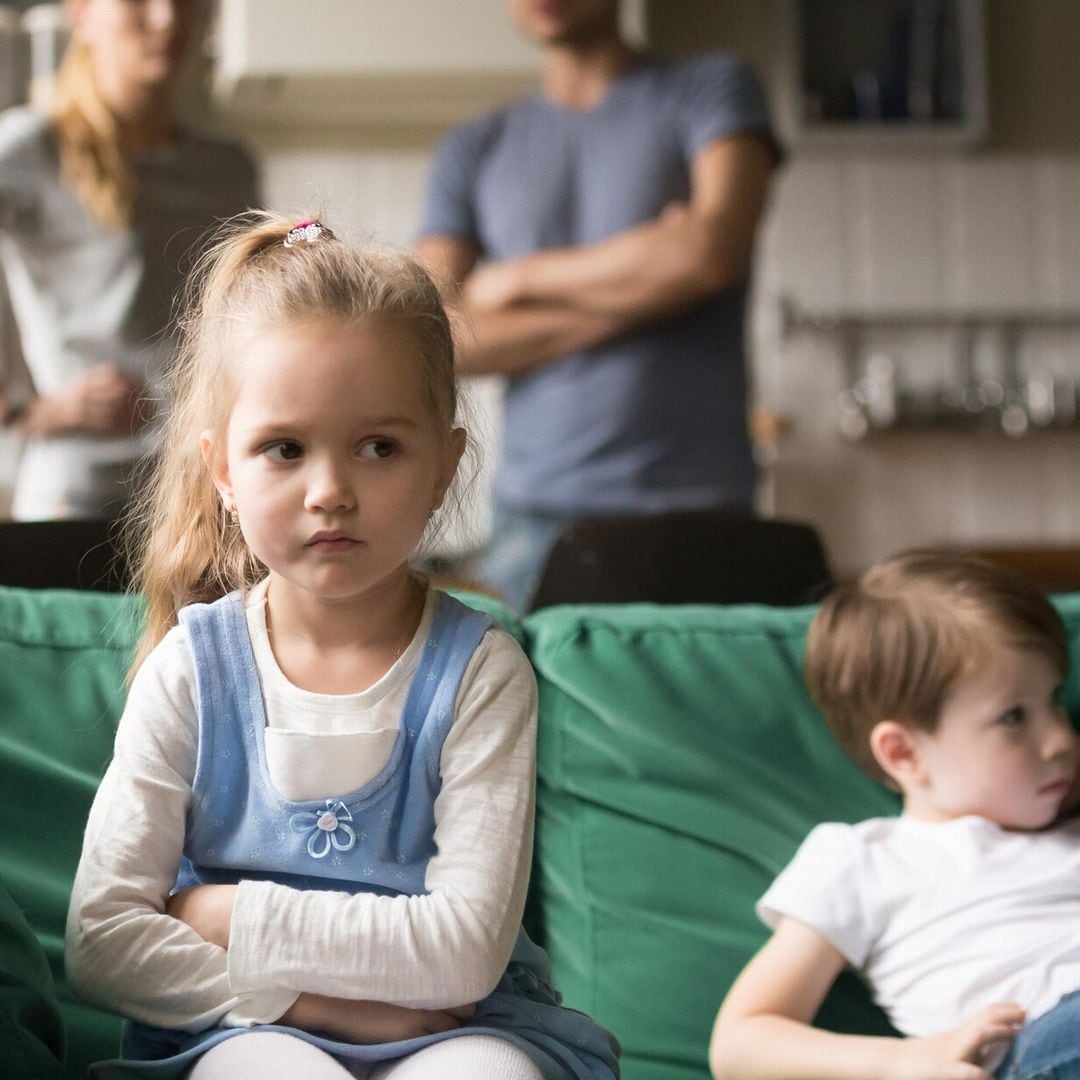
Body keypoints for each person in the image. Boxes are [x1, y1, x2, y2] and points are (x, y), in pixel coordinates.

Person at [65, 212, 620, 1080]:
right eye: (283, 448)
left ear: (444, 464)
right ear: (224, 473)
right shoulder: (190, 670)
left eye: (378, 447)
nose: (331, 491)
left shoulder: (482, 670)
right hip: (237, 1030)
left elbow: (465, 955)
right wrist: (321, 1008)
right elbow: (102, 940)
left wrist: (223, 913)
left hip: (460, 1032)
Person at [418, 0, 780, 611]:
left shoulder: (713, 88)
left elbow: (711, 252)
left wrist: (518, 279)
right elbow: (431, 338)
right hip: (531, 523)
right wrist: (652, 288)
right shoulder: (474, 145)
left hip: (696, 511)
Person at [709, 551, 1080, 1080]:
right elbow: (741, 1043)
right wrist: (911, 1062)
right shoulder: (865, 860)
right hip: (1039, 1042)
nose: (1062, 740)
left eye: (1056, 701)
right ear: (904, 754)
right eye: (1014, 717)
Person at [0, 0, 258, 521]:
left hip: (203, 491)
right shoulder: (30, 149)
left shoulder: (229, 167)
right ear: (82, 14)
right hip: (79, 494)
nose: (166, 19)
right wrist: (29, 410)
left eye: (186, 2)